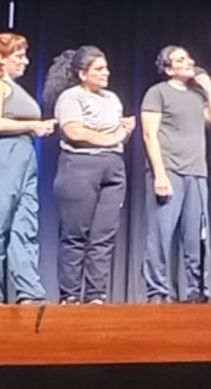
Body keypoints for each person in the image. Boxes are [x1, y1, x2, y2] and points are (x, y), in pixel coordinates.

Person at [45, 46, 135, 305]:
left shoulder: (112, 99)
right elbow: (75, 132)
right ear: (83, 74)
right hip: (80, 167)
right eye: (99, 69)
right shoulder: (71, 98)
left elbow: (117, 136)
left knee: (103, 235)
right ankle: (70, 295)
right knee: (75, 234)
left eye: (106, 68)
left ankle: (96, 294)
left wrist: (123, 132)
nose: (106, 73)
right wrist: (113, 136)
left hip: (113, 167)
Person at [0, 33, 56, 305]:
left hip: (24, 154)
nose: (25, 61)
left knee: (25, 222)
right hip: (1, 153)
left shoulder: (13, 86)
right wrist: (33, 125)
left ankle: (28, 288)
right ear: (0, 58)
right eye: (18, 56)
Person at [141, 46, 211, 303]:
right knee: (160, 234)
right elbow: (149, 134)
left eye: (189, 58)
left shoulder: (197, 95)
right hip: (169, 170)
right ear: (168, 69)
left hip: (196, 173)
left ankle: (196, 291)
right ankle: (157, 291)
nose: (189, 62)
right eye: (180, 60)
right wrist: (160, 174)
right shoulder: (157, 92)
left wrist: (209, 87)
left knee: (196, 235)